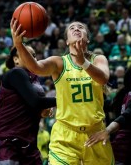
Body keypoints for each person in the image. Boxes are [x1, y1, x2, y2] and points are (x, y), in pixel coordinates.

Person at [11, 20, 114, 164]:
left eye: (81, 27)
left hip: (95, 133)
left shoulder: (98, 59)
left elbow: (103, 79)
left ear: (88, 38)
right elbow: (36, 67)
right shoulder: (59, 63)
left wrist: (82, 61)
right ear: (67, 41)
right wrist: (18, 44)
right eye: (72, 28)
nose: (76, 29)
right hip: (66, 135)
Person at [0, 45, 56, 164]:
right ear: (16, 59)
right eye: (27, 54)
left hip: (28, 144)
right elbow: (35, 101)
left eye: (34, 55)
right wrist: (63, 99)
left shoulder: (35, 79)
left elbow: (33, 104)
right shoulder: (16, 73)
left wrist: (42, 111)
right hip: (6, 142)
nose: (32, 58)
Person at [85, 62, 131, 165]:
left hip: (129, 157)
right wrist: (107, 131)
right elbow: (127, 116)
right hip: (124, 158)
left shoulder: (130, 95)